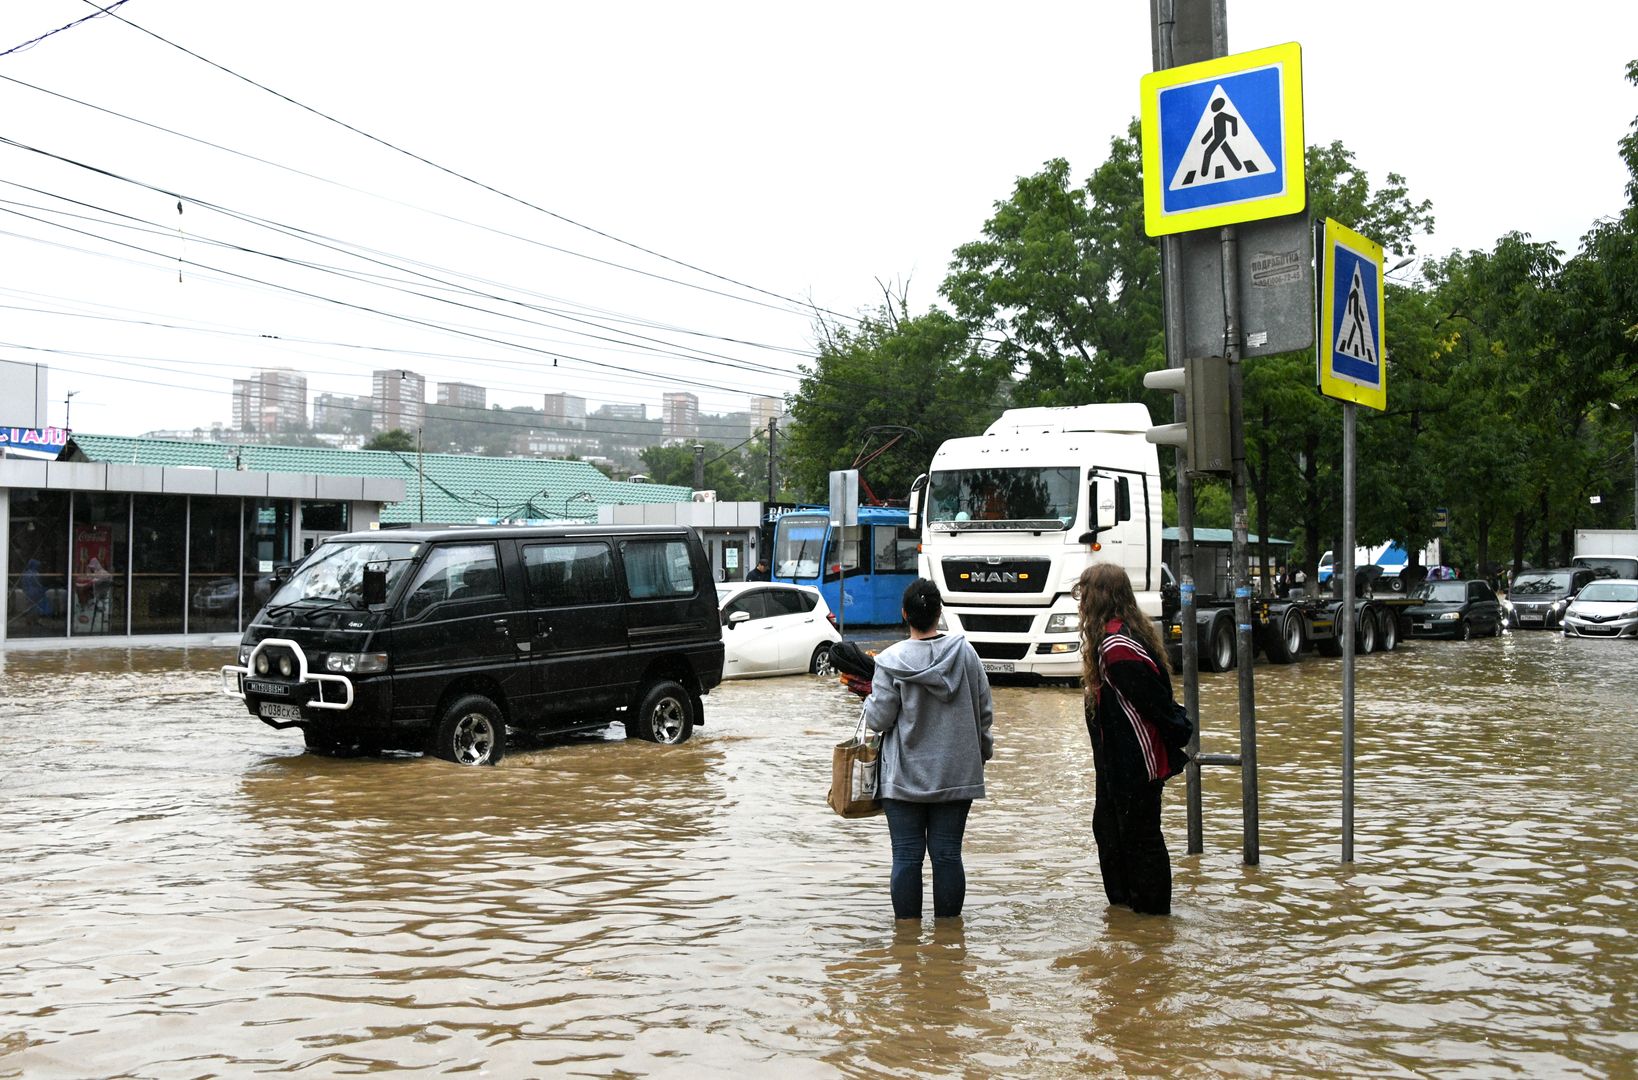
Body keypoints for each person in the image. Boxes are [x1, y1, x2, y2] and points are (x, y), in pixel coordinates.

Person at [863, 578, 994, 921]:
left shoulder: (890, 661)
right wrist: (983, 754)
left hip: (903, 779)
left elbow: (878, 720)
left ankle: (907, 946)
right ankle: (948, 942)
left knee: (906, 857)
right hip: (956, 773)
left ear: (905, 614)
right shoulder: (966, 653)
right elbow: (985, 713)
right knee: (948, 855)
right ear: (939, 612)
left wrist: (868, 698)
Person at [1076, 563, 1190, 916]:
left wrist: (1179, 731)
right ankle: (1129, 921)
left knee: (1140, 840)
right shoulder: (1114, 639)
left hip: (1134, 764)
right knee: (1111, 834)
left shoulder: (1118, 647)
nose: (1080, 604)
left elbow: (1156, 705)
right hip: (1116, 764)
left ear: (1099, 599)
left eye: (1084, 596)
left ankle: (1152, 921)